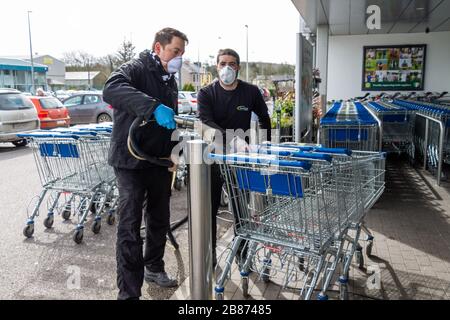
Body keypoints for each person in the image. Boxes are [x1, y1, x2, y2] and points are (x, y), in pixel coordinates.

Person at [103, 27, 188, 300]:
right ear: (158, 47)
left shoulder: (169, 80)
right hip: (131, 161)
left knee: (159, 218)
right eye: (175, 51)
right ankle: (128, 293)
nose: (179, 58)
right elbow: (112, 89)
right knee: (129, 225)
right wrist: (152, 106)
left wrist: (175, 153)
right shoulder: (135, 68)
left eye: (182, 54)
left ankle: (154, 266)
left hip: (159, 161)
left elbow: (169, 123)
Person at [197, 48, 271, 266]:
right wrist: (232, 140)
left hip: (241, 160)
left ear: (238, 67)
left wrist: (264, 144)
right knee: (208, 208)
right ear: (216, 66)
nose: (227, 68)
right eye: (222, 63)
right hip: (213, 157)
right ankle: (208, 257)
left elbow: (265, 118)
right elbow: (206, 123)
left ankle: (242, 255)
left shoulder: (250, 92)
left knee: (241, 210)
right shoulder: (206, 93)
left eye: (231, 63)